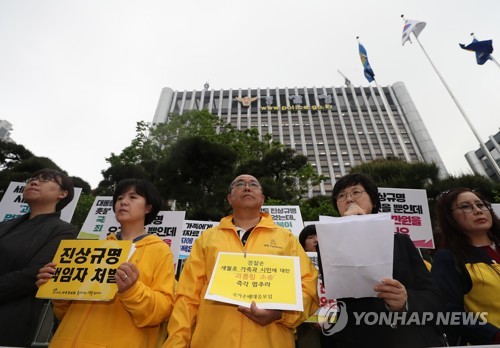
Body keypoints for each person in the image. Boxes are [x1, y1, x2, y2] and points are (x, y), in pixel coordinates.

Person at [164, 174, 319, 348]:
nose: (247, 187)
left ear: (262, 199)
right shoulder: (207, 239)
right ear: (229, 198)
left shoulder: (287, 239)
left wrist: (280, 314)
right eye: (240, 184)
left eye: (253, 184)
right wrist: (176, 344)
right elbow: (187, 298)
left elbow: (309, 285)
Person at [37, 178, 175, 347]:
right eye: (119, 198)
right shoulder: (91, 249)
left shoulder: (160, 251)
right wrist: (56, 287)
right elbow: (63, 313)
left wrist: (132, 290)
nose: (123, 202)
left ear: (148, 207)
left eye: (133, 197)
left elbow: (162, 310)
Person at [318, 173, 444, 348]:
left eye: (356, 192)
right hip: (359, 336)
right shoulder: (328, 245)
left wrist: (405, 301)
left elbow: (432, 295)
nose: (349, 199)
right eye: (341, 196)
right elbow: (333, 285)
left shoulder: (401, 241)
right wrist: (348, 230)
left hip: (408, 337)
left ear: (374, 201)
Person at [0, 168, 78, 347]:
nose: (34, 182)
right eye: (32, 179)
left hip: (10, 319)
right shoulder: (4, 225)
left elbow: (35, 273)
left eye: (45, 180)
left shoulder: (64, 231)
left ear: (62, 194)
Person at [431, 188, 500, 345]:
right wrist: (494, 336)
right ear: (450, 217)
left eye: (481, 205)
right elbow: (448, 312)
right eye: (465, 206)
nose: (477, 210)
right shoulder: (447, 258)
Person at [295, 225, 322, 348]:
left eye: (319, 236)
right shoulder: (296, 265)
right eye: (311, 237)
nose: (316, 240)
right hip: (307, 323)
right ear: (304, 245)